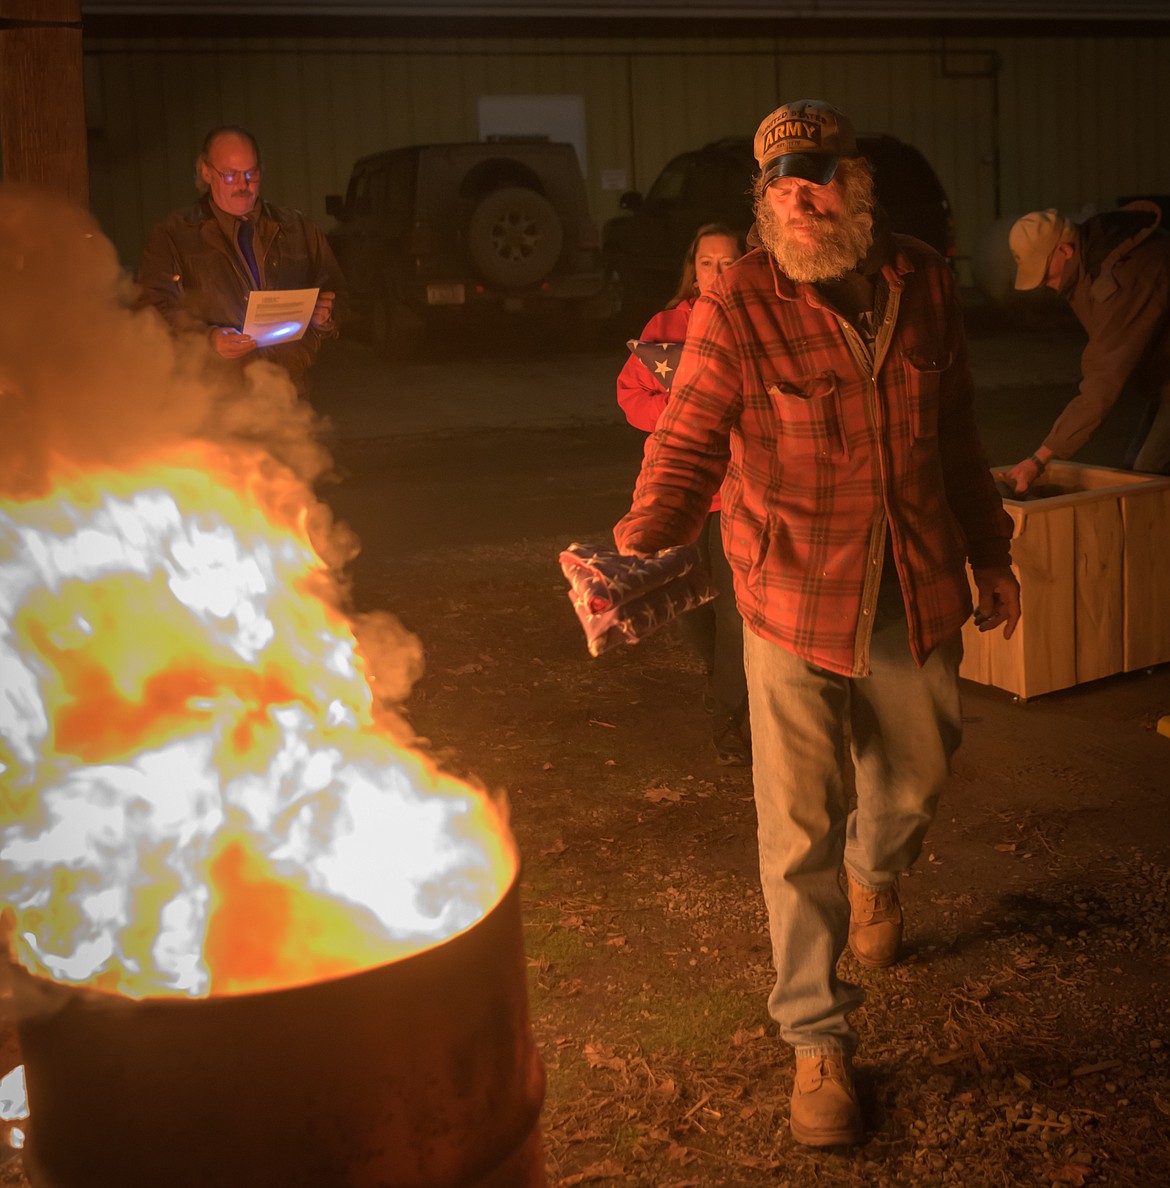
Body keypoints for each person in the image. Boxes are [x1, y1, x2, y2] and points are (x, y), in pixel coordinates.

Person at [613, 98, 1020, 1148]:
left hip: (915, 587)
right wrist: (646, 535)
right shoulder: (739, 300)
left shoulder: (923, 279)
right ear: (767, 200)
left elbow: (962, 432)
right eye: (785, 183)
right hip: (790, 596)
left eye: (824, 175)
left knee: (922, 770)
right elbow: (692, 436)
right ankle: (817, 1043)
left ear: (858, 184)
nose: (806, 196)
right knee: (796, 827)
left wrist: (993, 554)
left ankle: (876, 873)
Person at [617, 223, 751, 765]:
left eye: (728, 261)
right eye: (706, 263)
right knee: (690, 603)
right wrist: (678, 418)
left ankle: (732, 724)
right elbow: (631, 394)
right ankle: (723, 687)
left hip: (739, 491)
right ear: (692, 269)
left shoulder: (758, 319)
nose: (718, 273)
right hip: (681, 488)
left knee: (737, 616)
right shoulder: (668, 326)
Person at [137, 125, 346, 394]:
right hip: (211, 395)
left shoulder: (297, 228)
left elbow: (337, 289)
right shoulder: (174, 234)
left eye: (251, 173)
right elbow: (152, 309)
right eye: (230, 175)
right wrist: (208, 339)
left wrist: (326, 317)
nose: (243, 184)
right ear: (206, 173)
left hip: (286, 388)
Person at [1005, 203, 1170, 494]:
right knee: (1135, 470)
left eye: (1044, 273)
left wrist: (1039, 459)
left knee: (1148, 481)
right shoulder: (1089, 265)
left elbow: (1103, 382)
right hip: (1163, 382)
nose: (1044, 283)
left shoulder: (1124, 276)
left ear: (1065, 250)